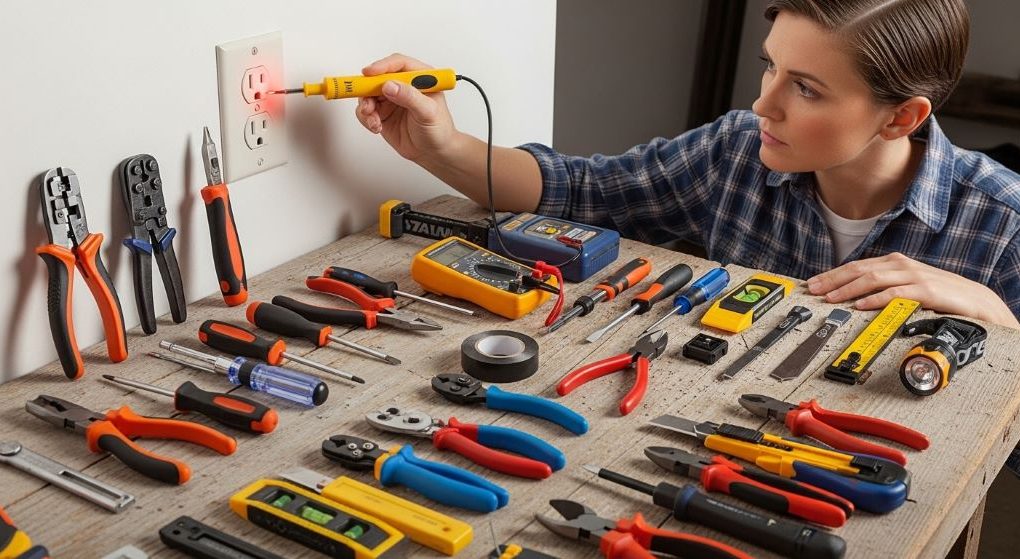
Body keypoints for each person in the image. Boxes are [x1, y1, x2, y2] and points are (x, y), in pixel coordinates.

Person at [354, 0, 1020, 329]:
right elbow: (578, 192)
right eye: (770, 66)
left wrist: (998, 315)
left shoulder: (1004, 225)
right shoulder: (735, 151)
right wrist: (443, 146)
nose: (763, 102)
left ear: (901, 117)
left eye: (807, 88)